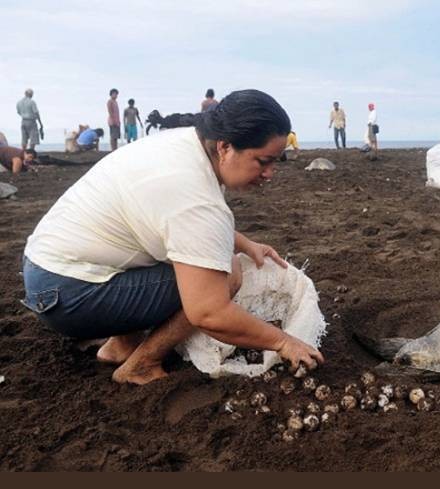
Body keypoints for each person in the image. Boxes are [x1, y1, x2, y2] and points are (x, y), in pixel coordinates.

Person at [22, 89, 324, 385]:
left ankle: (121, 346)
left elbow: (179, 221)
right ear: (225, 147)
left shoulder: (182, 145)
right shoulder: (197, 197)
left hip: (46, 270)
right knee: (229, 273)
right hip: (69, 294)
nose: (270, 173)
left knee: (178, 254)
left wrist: (247, 243)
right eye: (263, 161)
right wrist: (284, 342)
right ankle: (142, 364)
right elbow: (208, 312)